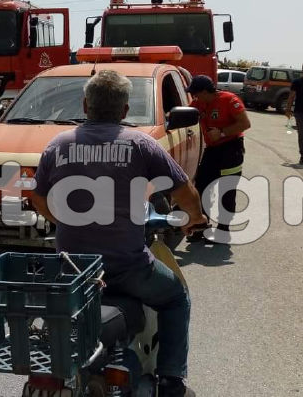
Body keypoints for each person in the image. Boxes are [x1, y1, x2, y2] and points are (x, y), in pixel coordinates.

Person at [29, 69, 207, 397]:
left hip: (74, 270)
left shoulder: (59, 144)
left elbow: (37, 197)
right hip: (127, 267)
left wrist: (61, 220)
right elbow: (185, 192)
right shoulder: (140, 144)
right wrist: (194, 218)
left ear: (85, 105)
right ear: (125, 110)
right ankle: (171, 380)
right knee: (176, 298)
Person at [184, 75, 251, 240]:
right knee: (201, 186)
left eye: (195, 93)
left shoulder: (229, 100)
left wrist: (222, 133)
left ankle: (223, 230)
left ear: (205, 91)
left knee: (226, 190)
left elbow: (245, 123)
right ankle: (200, 226)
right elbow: (186, 115)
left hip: (231, 148)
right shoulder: (199, 103)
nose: (194, 97)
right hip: (212, 150)